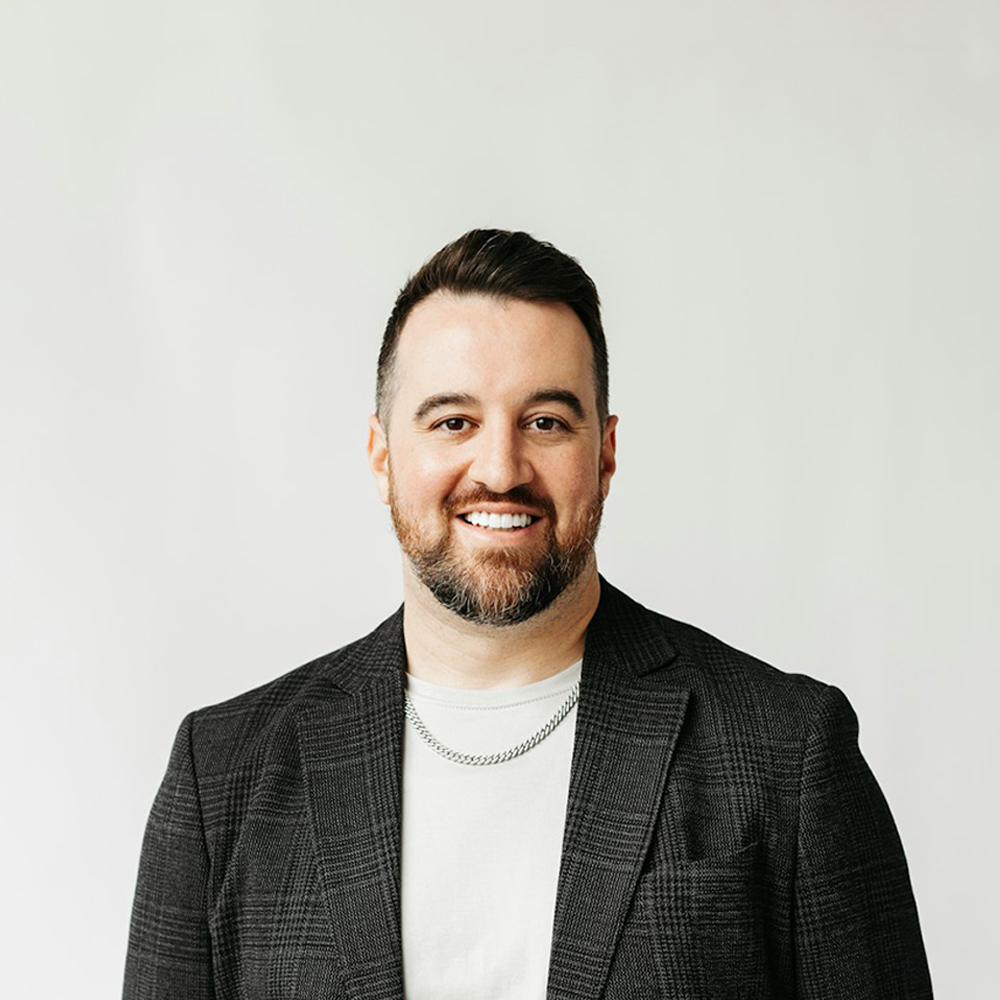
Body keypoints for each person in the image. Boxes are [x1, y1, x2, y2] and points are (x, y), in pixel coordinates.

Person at [123, 229, 932, 999]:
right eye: (454, 422)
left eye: (545, 421)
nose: (501, 468)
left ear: (605, 454)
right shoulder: (222, 776)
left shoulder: (786, 753)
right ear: (382, 455)